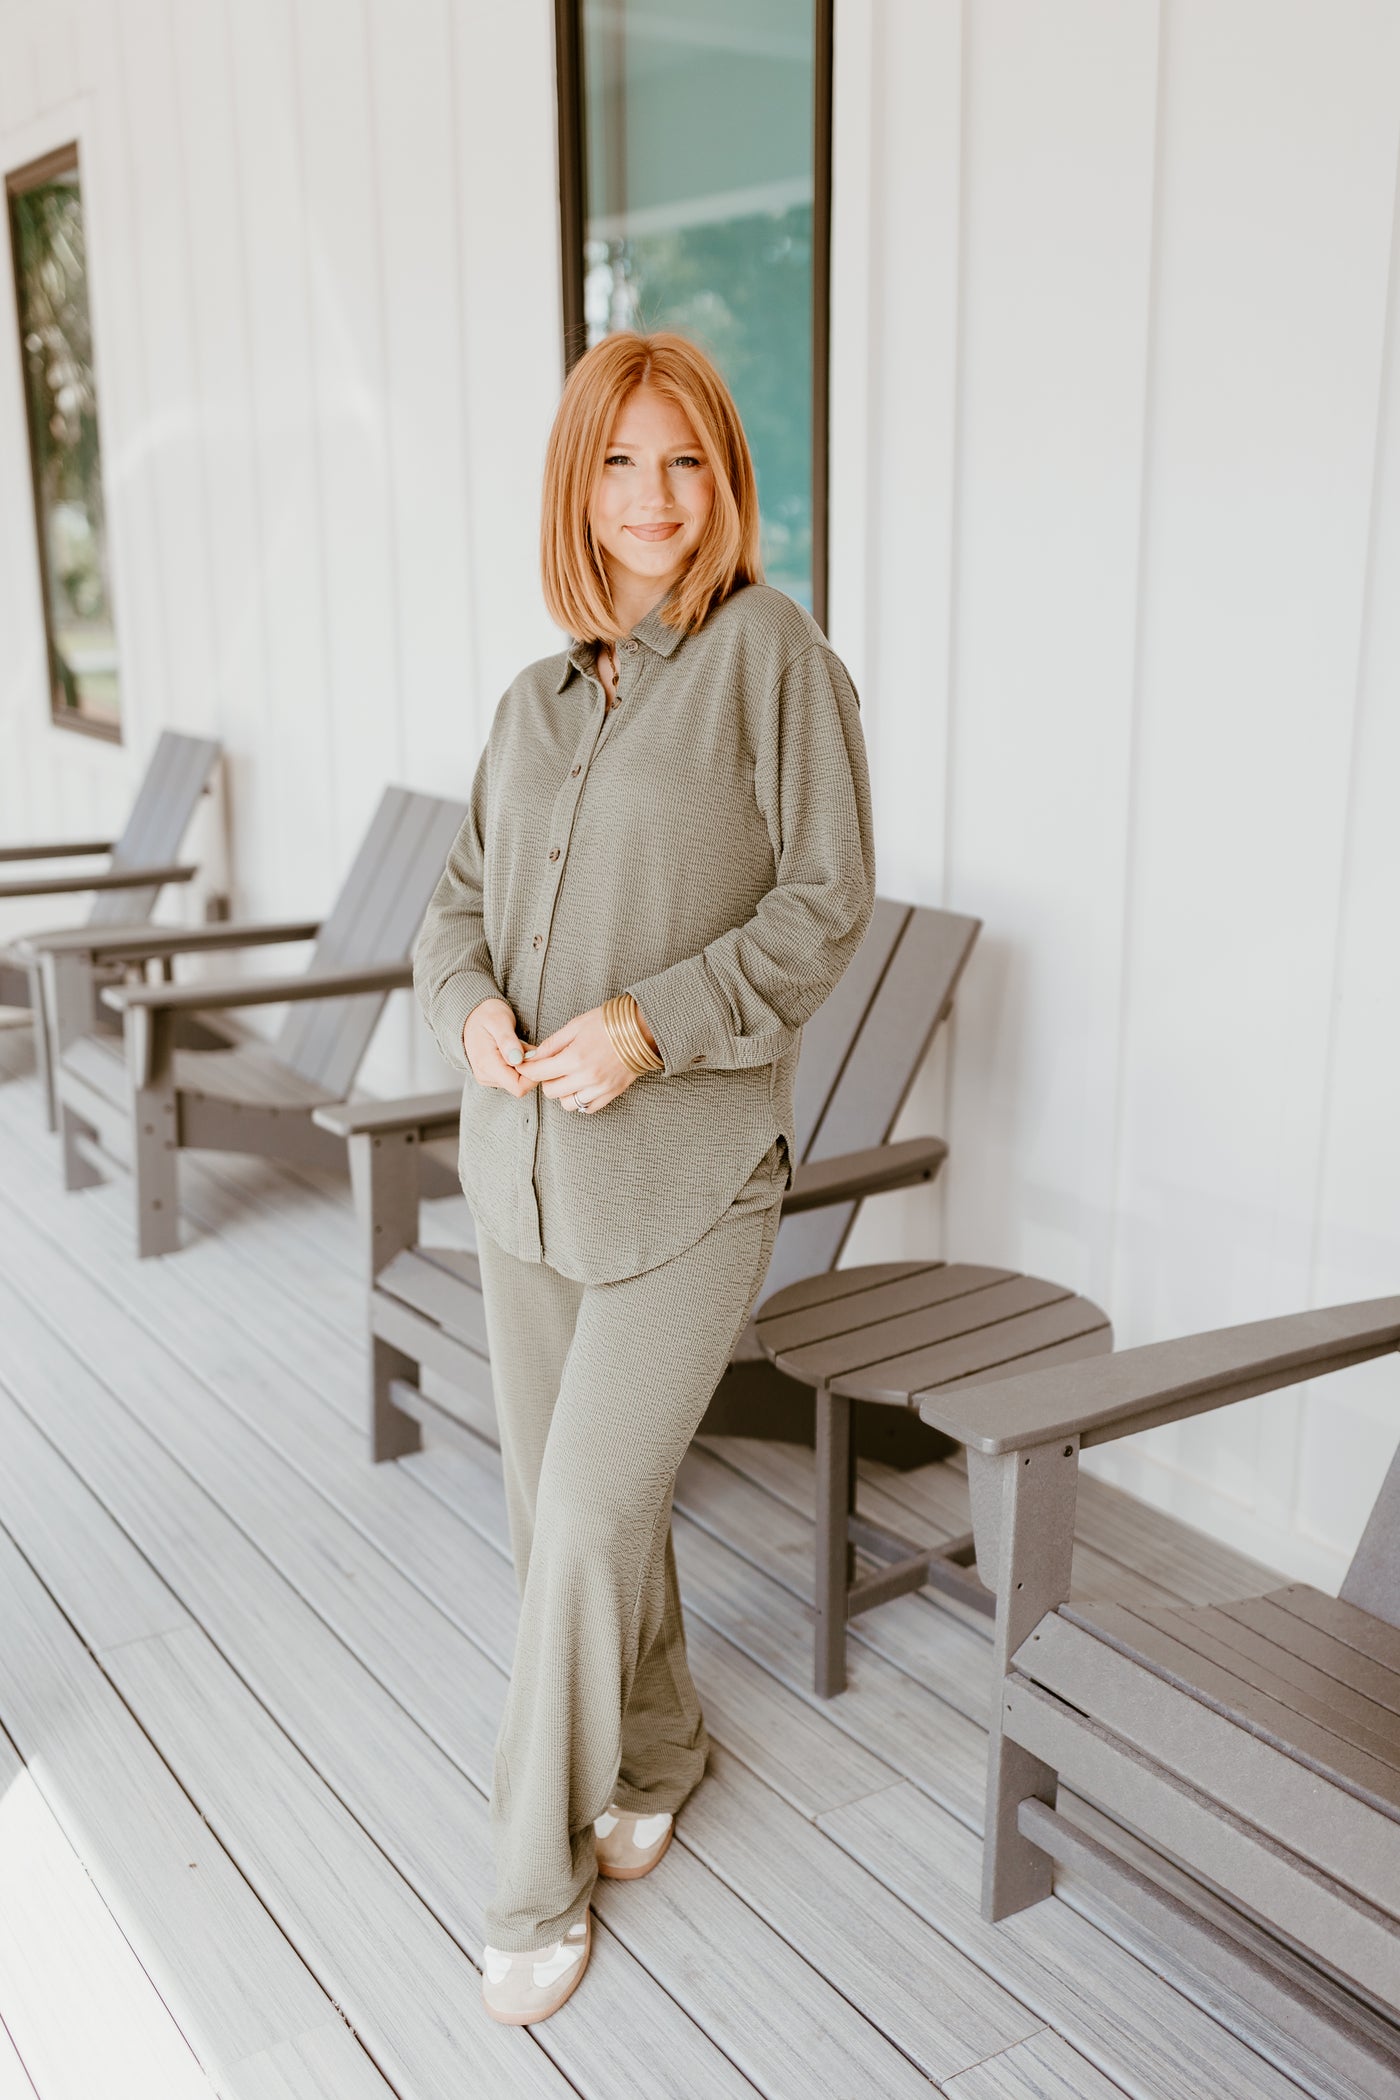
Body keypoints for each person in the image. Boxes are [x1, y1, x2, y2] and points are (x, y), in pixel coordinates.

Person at [413, 329, 876, 2025]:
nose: (656, 497)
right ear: (578, 488)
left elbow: (825, 903)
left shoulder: (774, 659)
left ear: (725, 481)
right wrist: (469, 1014)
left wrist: (648, 1028)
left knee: (587, 1528)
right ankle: (663, 1748)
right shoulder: (533, 704)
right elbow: (452, 906)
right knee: (558, 1511)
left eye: (686, 462)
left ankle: (529, 1881)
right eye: (621, 463)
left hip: (686, 1177)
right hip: (523, 1180)